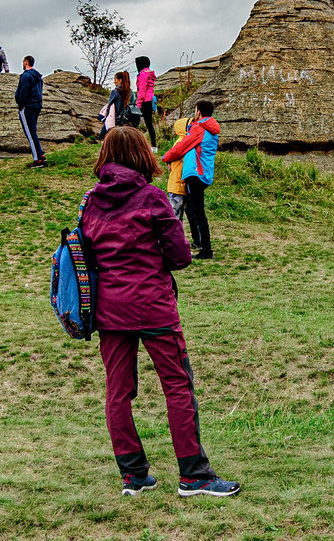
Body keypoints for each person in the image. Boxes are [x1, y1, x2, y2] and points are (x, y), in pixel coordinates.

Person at [79, 126, 240, 498]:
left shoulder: (90, 201)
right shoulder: (152, 198)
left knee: (117, 392)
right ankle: (194, 476)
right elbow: (181, 256)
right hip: (153, 306)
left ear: (105, 155)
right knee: (177, 386)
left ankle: (133, 476)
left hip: (110, 310)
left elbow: (85, 255)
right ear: (141, 154)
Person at [162, 98, 222, 259]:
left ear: (199, 112)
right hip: (204, 173)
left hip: (195, 174)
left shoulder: (199, 128)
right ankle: (198, 242)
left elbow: (181, 147)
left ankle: (206, 249)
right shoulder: (211, 128)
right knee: (192, 209)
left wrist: (166, 158)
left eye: (195, 110)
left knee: (198, 212)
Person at [13, 55, 46, 165]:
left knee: (30, 134)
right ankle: (40, 154)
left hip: (27, 107)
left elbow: (23, 92)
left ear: (26, 62)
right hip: (37, 105)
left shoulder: (26, 76)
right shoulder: (38, 77)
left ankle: (37, 160)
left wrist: (21, 105)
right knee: (33, 132)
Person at [134, 55, 159, 145]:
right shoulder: (150, 73)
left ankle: (135, 143)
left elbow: (142, 90)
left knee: (135, 122)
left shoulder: (143, 75)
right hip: (150, 100)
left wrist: (138, 104)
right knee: (149, 124)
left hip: (144, 101)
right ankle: (153, 145)